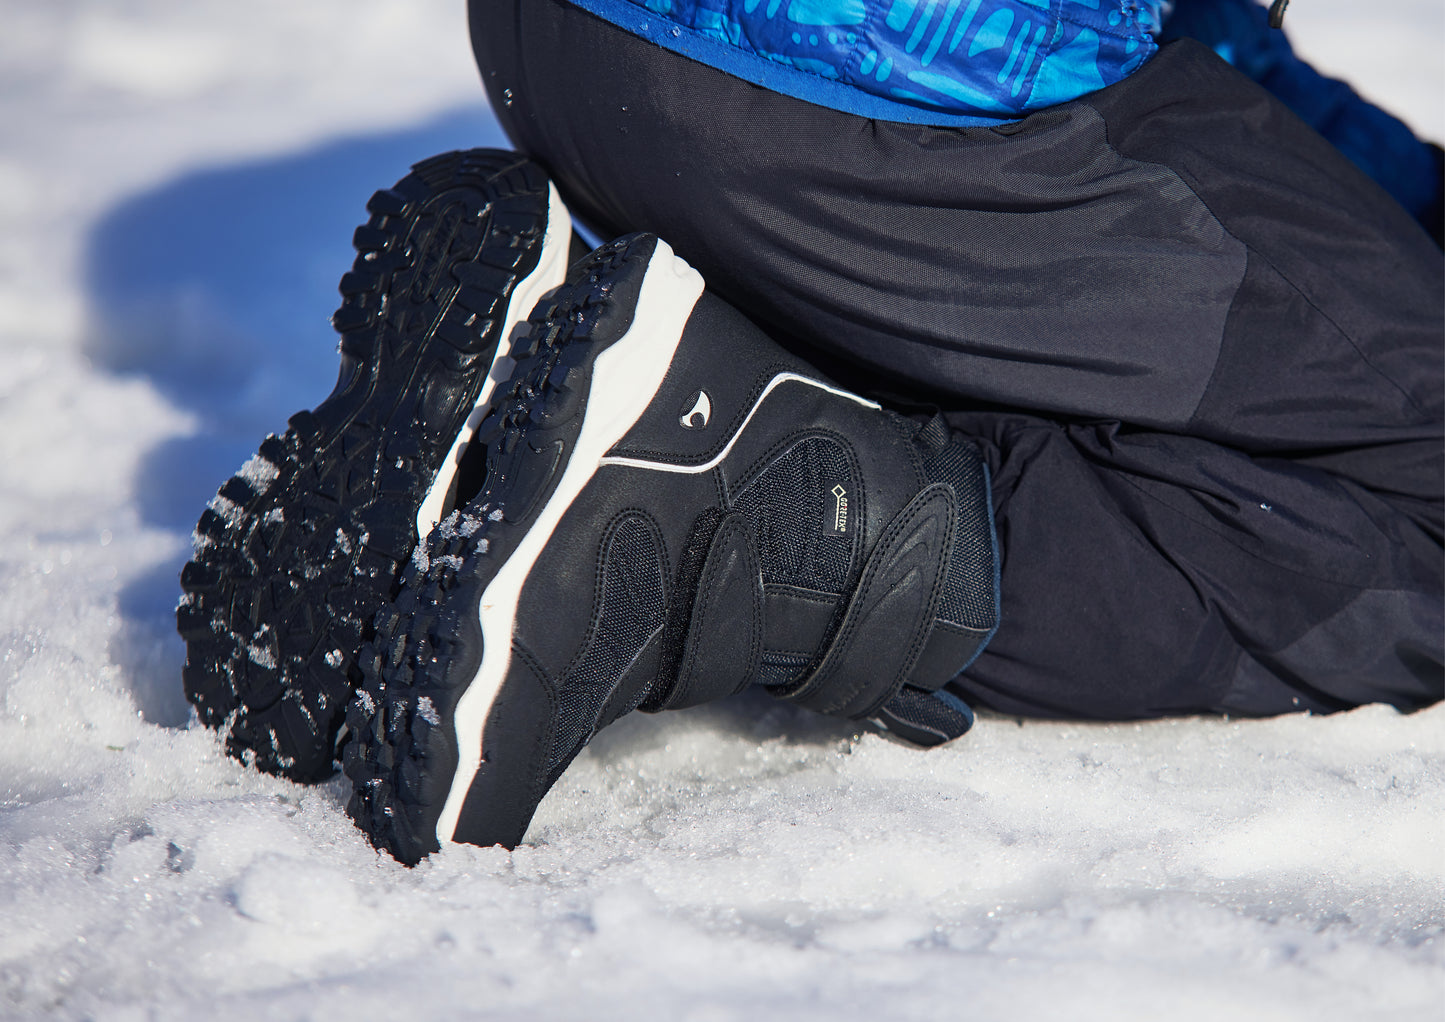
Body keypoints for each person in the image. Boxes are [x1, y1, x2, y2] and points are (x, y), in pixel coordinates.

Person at [179, 0, 1443, 864]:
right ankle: (747, 507)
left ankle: (518, 393)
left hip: (576, 54)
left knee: (1218, 339)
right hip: (893, 85)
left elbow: (1223, 70)